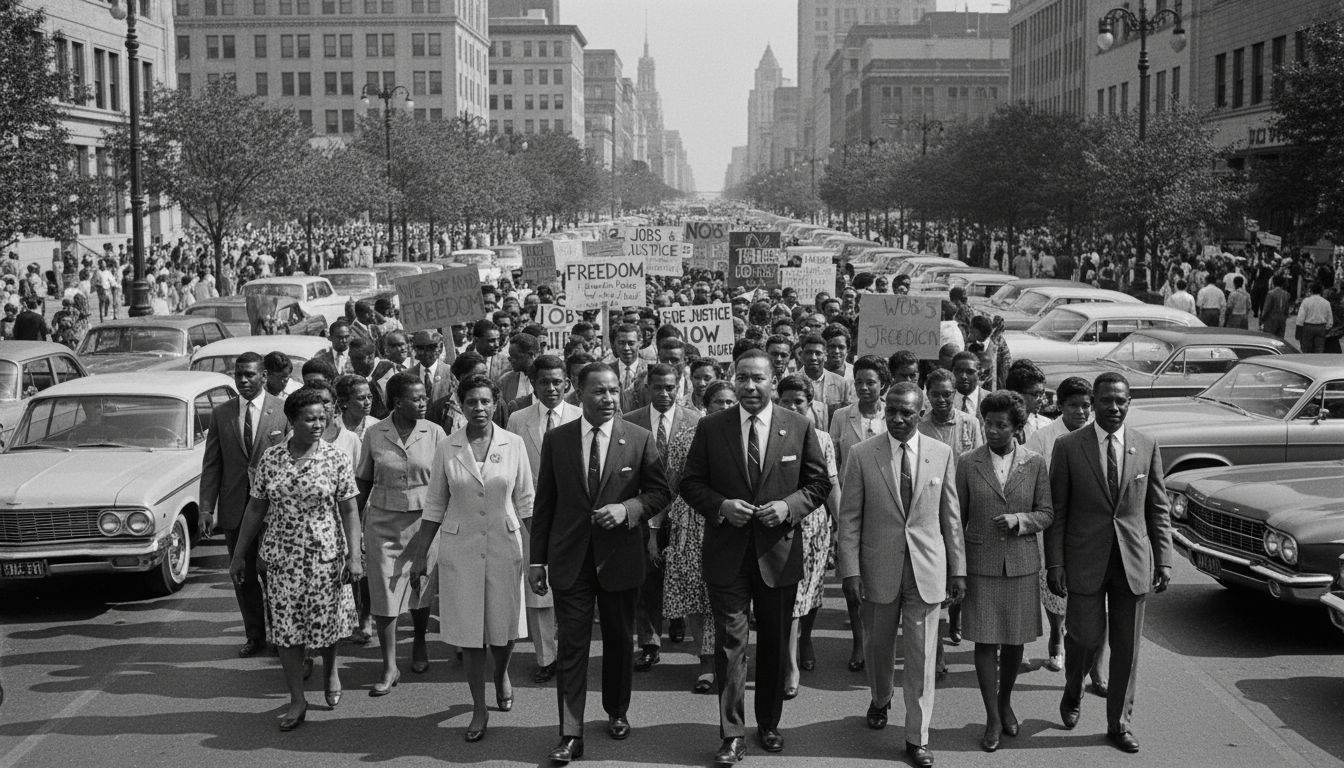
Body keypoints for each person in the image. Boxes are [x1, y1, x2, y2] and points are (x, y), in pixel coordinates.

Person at [680, 349, 832, 764]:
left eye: (758, 379)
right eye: (742, 378)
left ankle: (768, 723)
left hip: (777, 556)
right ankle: (732, 734)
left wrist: (788, 507)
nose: (749, 386)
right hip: (726, 555)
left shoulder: (798, 426)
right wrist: (720, 506)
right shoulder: (711, 427)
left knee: (774, 645)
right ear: (734, 378)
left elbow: (818, 484)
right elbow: (690, 483)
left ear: (773, 381)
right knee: (731, 645)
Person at [529, 362, 671, 765]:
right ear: (579, 393)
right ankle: (570, 733)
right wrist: (537, 561)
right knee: (572, 646)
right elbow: (545, 504)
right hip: (570, 561)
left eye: (613, 391)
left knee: (619, 641)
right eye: (598, 391)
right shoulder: (557, 440)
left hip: (620, 559)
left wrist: (627, 509)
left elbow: (660, 493)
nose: (608, 399)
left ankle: (617, 710)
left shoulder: (638, 438)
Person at [837, 381, 964, 768]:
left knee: (922, 656)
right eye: (890, 411)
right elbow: (849, 519)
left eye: (905, 412)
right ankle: (880, 698)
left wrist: (958, 570)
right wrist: (850, 571)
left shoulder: (941, 453)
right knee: (878, 647)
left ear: (920, 413)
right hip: (877, 568)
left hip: (926, 569)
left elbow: (950, 517)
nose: (896, 418)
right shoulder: (862, 454)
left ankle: (917, 736)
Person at [1046, 372, 1174, 754]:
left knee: (1127, 649)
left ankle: (1119, 724)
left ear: (1129, 403)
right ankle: (1074, 688)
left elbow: (1158, 508)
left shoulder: (1146, 445)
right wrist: (1055, 564)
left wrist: (1164, 559)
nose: (1114, 408)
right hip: (1084, 560)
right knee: (1084, 638)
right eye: (1106, 401)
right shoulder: (1069, 447)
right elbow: (1057, 511)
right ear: (1094, 403)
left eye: (1121, 401)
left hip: (1131, 562)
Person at [407, 374, 534, 742]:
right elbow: (435, 504)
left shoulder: (513, 443)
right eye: (471, 402)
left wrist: (541, 553)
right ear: (460, 405)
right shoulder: (447, 446)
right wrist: (421, 555)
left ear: (496, 404)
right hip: (459, 548)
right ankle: (479, 707)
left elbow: (526, 501)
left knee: (504, 628)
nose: (479, 408)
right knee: (471, 633)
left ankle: (502, 672)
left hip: (504, 544)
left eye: (485, 401)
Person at [228, 388, 362, 731]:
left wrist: (354, 556)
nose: (318, 425)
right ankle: (297, 699)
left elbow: (349, 510)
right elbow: (255, 507)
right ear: (291, 421)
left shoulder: (336, 458)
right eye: (309, 419)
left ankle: (330, 671)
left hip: (325, 557)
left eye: (322, 418)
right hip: (282, 560)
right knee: (287, 631)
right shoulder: (271, 459)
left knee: (327, 624)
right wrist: (239, 555)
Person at [956, 390, 1054, 752]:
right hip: (981, 563)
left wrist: (1020, 520)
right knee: (985, 640)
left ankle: (1005, 701)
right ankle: (992, 717)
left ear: (1017, 428)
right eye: (988, 423)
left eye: (1001, 425)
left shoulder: (1035, 463)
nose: (992, 431)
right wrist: (956, 568)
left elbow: (1047, 513)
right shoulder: (968, 462)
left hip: (1021, 565)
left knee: (1015, 641)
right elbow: (956, 518)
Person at [356, 372, 448, 695]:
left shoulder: (435, 432)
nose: (423, 402)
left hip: (426, 523)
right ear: (397, 402)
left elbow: (446, 480)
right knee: (383, 591)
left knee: (421, 586)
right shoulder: (374, 433)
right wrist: (350, 527)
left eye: (425, 397)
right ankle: (389, 665)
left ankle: (420, 640)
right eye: (416, 398)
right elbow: (363, 480)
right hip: (382, 523)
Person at [200, 352, 290, 658]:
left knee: (275, 575)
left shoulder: (283, 410)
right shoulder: (221, 413)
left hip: (274, 511)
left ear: (263, 376)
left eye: (249, 374)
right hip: (236, 508)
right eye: (238, 375)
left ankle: (281, 635)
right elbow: (212, 465)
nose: (243, 380)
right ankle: (255, 635)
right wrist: (206, 508)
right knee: (243, 576)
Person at [1026, 377, 1109, 688]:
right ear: (1059, 406)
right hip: (1056, 528)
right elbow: (1027, 478)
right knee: (1056, 592)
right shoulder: (1043, 438)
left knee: (1099, 601)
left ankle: (1098, 668)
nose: (1081, 412)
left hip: (1095, 532)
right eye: (1073, 405)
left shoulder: (1103, 435)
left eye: (1086, 405)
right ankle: (1057, 637)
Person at [622, 362, 703, 673]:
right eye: (658, 387)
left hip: (685, 510)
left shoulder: (696, 420)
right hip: (645, 509)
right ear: (647, 388)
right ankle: (649, 643)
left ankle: (678, 618)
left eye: (671, 387)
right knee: (647, 577)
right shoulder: (631, 421)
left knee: (680, 570)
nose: (665, 394)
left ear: (679, 386)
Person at [507, 354, 581, 685]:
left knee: (572, 585)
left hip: (573, 514)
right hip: (531, 513)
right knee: (538, 585)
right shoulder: (518, 419)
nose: (551, 388)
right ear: (533, 385)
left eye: (557, 382)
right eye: (543, 382)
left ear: (567, 384)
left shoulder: (581, 416)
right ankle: (545, 656)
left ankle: (571, 652)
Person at [662, 379, 736, 695]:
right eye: (719, 402)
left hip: (732, 523)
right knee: (695, 594)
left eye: (730, 401)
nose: (725, 407)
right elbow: (673, 484)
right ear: (706, 405)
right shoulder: (685, 438)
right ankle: (705, 663)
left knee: (728, 596)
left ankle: (728, 658)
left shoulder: (746, 435)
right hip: (691, 524)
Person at [774, 375, 841, 699]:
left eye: (798, 401)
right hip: (780, 525)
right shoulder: (771, 434)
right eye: (785, 401)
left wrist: (842, 526)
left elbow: (831, 484)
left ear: (810, 404)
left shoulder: (822, 439)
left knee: (811, 593)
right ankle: (789, 666)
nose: (792, 407)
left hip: (815, 528)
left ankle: (805, 639)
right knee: (791, 597)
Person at [406, 329, 454, 402]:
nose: (426, 352)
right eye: (421, 348)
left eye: (431, 347)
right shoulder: (408, 375)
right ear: (415, 349)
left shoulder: (451, 373)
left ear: (440, 347)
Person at [1297, 281, 1332, 353]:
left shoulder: (1306, 301)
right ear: (1321, 291)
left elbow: (1300, 318)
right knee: (1319, 351)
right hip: (1321, 328)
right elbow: (1330, 321)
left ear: (1311, 290)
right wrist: (1325, 330)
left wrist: (1298, 332)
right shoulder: (1326, 303)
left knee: (1307, 351)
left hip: (1308, 329)